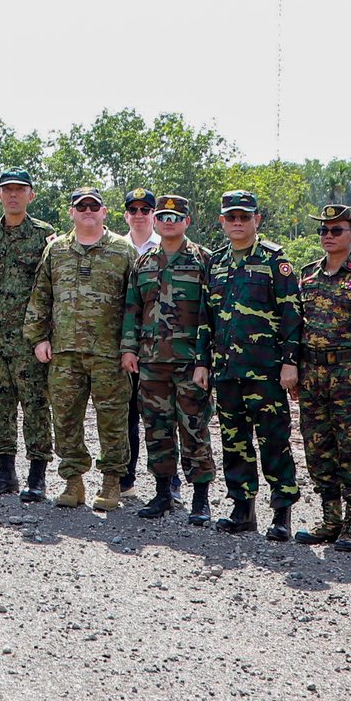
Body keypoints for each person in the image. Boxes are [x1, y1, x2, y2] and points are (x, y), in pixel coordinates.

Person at [191, 190, 301, 538]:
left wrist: (290, 363)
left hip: (265, 371)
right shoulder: (217, 262)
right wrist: (201, 362)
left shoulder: (274, 261)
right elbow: (205, 317)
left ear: (257, 220)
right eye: (231, 217)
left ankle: (281, 513)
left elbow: (291, 314)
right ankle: (242, 510)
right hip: (226, 371)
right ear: (222, 222)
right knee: (234, 441)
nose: (238, 223)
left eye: (244, 217)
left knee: (273, 441)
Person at [23, 187, 137, 511]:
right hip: (64, 352)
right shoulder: (56, 250)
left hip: (109, 353)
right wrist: (38, 338)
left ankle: (112, 483)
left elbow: (136, 304)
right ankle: (73, 482)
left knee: (113, 419)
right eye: (81, 206)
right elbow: (41, 296)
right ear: (72, 212)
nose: (88, 211)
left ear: (104, 212)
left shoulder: (123, 251)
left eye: (94, 206)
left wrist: (130, 347)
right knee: (65, 418)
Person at [292, 203, 351, 551]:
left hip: (349, 375)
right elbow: (299, 328)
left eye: (336, 230)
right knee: (318, 448)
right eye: (323, 231)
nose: (328, 236)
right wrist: (298, 374)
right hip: (313, 374)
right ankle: (329, 518)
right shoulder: (308, 274)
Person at [123, 195, 217, 522]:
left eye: (175, 217)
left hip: (190, 361)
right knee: (157, 428)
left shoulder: (203, 259)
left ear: (186, 222)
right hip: (151, 361)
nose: (168, 222)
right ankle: (163, 492)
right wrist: (128, 349)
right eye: (162, 216)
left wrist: (205, 359)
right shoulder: (144, 262)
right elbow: (133, 309)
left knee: (194, 427)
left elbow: (211, 315)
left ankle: (200, 498)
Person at [0, 168, 57, 502]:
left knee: (36, 403)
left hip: (30, 338)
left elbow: (52, 282)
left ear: (30, 195)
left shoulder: (44, 234)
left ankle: (37, 476)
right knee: (1, 404)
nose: (13, 195)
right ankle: (5, 472)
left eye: (19, 190)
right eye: (7, 190)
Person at [117, 186, 158, 491]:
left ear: (153, 215)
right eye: (134, 210)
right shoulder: (115, 248)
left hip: (164, 348)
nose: (139, 215)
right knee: (127, 414)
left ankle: (167, 485)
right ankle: (126, 479)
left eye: (146, 210)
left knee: (163, 420)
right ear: (126, 214)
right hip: (127, 345)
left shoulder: (170, 246)